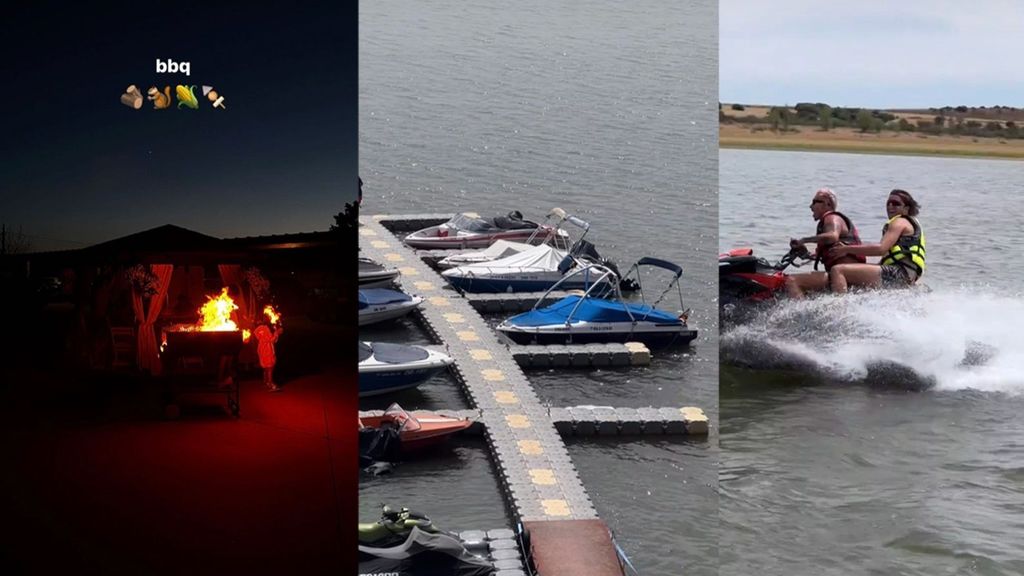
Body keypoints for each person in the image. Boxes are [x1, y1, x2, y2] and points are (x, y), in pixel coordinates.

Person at [828, 189, 925, 293]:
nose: (890, 206)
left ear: (906, 208)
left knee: (838, 270)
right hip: (905, 276)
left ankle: (840, 307)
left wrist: (846, 249)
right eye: (888, 203)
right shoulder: (909, 224)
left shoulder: (899, 222)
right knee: (854, 275)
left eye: (896, 204)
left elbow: (880, 249)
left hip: (898, 274)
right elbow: (886, 258)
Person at [784, 187, 865, 298]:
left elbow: (833, 236)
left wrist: (804, 240)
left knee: (792, 280)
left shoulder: (832, 218)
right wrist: (803, 251)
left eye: (814, 202)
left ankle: (801, 314)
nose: (810, 206)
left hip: (846, 275)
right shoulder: (826, 222)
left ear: (827, 204)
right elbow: (824, 254)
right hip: (840, 275)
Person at [253, 322, 284, 392]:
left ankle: (266, 382)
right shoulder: (263, 328)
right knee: (269, 367)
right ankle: (270, 384)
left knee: (266, 367)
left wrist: (276, 332)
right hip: (266, 349)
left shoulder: (260, 328)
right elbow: (270, 340)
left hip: (263, 349)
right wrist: (277, 333)